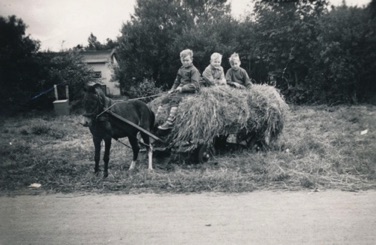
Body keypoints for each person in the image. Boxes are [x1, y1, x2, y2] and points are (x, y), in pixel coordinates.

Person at [156, 49, 201, 130]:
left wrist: (183, 88)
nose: (185, 62)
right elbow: (176, 81)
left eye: (187, 60)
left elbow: (195, 85)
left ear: (191, 60)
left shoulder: (194, 70)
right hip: (180, 90)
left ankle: (170, 122)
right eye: (183, 60)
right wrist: (172, 89)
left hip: (190, 91)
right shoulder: (181, 69)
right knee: (165, 99)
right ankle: (157, 118)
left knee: (175, 99)